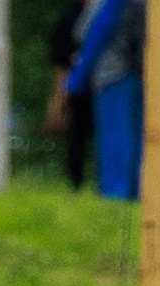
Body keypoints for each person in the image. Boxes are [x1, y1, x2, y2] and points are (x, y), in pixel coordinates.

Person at [64, 0, 142, 202]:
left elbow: (98, 30)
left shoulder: (111, 3)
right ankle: (134, 190)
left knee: (115, 137)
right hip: (140, 73)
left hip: (112, 73)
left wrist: (76, 79)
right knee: (135, 136)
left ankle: (115, 192)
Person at [45, 1, 95, 191]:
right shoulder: (70, 17)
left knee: (99, 135)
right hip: (75, 87)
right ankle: (76, 181)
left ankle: (103, 180)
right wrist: (70, 57)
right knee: (76, 137)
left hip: (98, 84)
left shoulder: (101, 12)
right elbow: (57, 50)